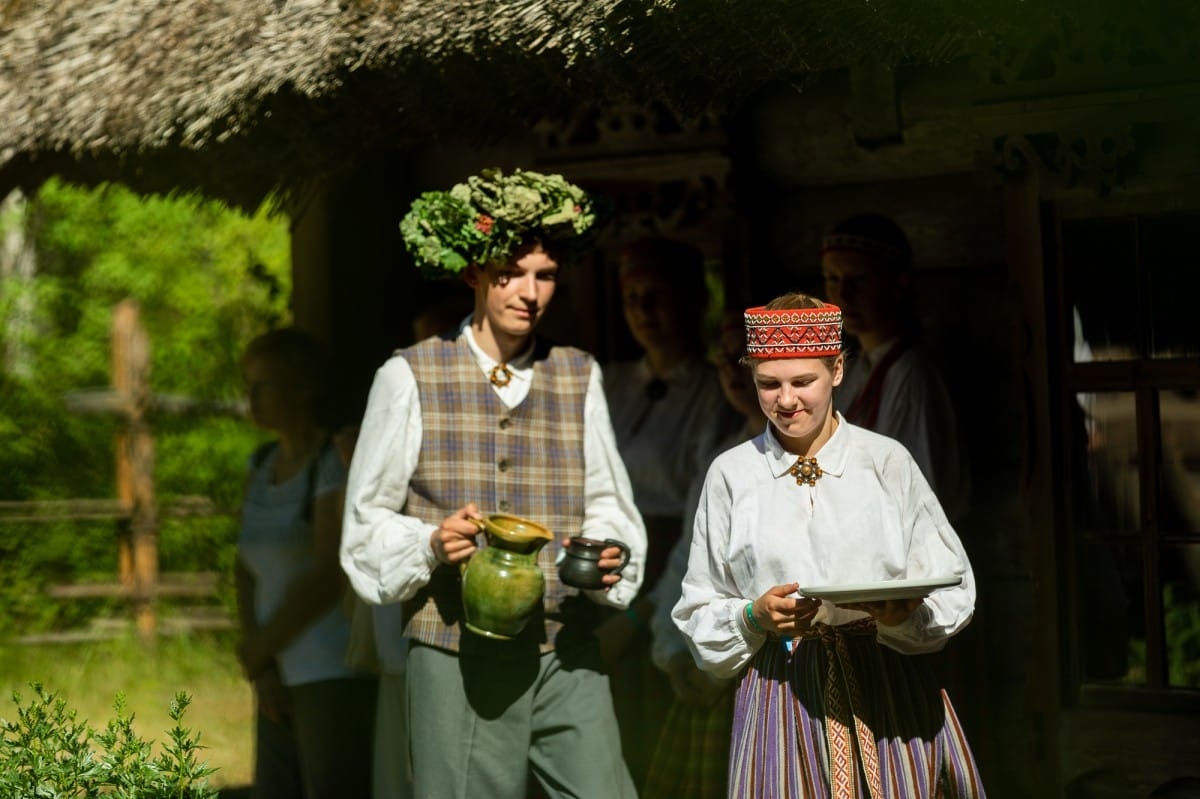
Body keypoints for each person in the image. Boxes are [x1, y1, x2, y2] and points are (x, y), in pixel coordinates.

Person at [340, 167, 647, 799]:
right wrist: (430, 542)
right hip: (456, 652)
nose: (529, 292)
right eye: (510, 272)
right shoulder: (408, 375)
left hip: (565, 647)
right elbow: (364, 520)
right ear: (473, 274)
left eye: (546, 276)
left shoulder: (577, 374)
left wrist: (609, 551)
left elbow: (609, 504)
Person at [674, 293, 986, 798]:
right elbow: (698, 607)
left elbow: (953, 587)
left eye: (803, 381)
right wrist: (752, 617)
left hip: (887, 684)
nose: (787, 400)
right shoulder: (732, 475)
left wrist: (899, 615)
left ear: (837, 369)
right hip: (783, 695)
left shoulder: (885, 462)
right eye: (768, 384)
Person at [598, 237, 742, 785]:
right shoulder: (611, 384)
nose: (644, 313)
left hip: (662, 577)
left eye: (657, 297)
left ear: (692, 301)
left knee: (646, 736)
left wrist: (640, 618)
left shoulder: (715, 392)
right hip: (597, 570)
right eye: (633, 299)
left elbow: (697, 520)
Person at [235, 328, 377, 799]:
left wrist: (259, 649)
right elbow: (245, 568)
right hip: (276, 669)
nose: (251, 398)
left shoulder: (331, 462)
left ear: (300, 388)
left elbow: (327, 573)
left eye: (263, 385)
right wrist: (263, 665)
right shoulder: (261, 465)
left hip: (329, 668)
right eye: (248, 385)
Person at [642, 311, 764, 799]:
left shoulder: (795, 462)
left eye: (745, 359)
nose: (733, 374)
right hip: (704, 664)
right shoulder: (721, 457)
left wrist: (726, 662)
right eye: (723, 362)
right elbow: (688, 564)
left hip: (755, 669)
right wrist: (673, 652)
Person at [820, 213, 970, 522]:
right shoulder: (854, 371)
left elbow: (918, 498)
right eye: (833, 279)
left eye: (859, 279)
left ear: (898, 285)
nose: (843, 294)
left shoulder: (911, 376)